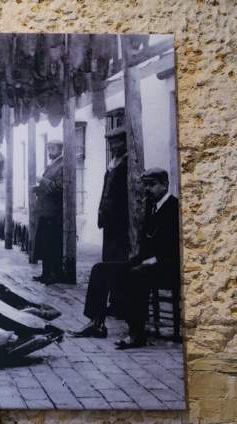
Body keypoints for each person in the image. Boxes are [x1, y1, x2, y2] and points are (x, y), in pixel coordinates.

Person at [73, 168, 180, 349]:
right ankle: (97, 323)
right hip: (148, 263)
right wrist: (137, 260)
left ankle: (136, 334)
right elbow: (146, 241)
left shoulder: (174, 207)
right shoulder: (151, 206)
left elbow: (177, 245)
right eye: (145, 185)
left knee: (136, 274)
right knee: (100, 269)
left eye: (152, 185)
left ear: (165, 185)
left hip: (168, 266)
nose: (147, 189)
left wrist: (155, 259)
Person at [28, 142, 64, 281]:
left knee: (52, 243)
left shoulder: (62, 165)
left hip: (54, 211)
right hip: (45, 210)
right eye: (49, 148)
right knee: (44, 242)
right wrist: (37, 189)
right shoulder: (52, 164)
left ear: (60, 150)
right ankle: (45, 273)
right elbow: (48, 186)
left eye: (53, 148)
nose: (50, 151)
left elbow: (58, 187)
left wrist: (42, 181)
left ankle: (54, 274)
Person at [98, 126, 131, 263]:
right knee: (109, 253)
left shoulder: (129, 163)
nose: (112, 147)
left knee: (120, 253)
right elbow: (105, 190)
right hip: (109, 217)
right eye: (111, 143)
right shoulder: (112, 164)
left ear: (125, 142)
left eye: (116, 143)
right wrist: (101, 210)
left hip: (122, 217)